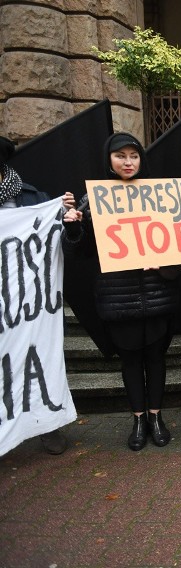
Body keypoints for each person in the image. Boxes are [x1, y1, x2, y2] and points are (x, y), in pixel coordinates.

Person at [63, 132, 181, 451]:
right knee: (130, 360)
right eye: (121, 156)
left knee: (156, 358)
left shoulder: (160, 195)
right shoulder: (94, 199)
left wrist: (163, 264)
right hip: (118, 297)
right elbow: (81, 253)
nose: (128, 162)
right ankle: (139, 420)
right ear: (109, 160)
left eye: (134, 155)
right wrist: (74, 225)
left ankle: (156, 418)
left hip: (157, 295)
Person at [0, 136, 74, 455]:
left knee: (37, 356)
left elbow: (60, 246)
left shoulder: (33, 197)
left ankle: (46, 424)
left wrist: (67, 219)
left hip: (30, 302)